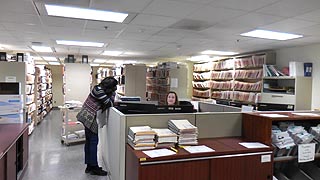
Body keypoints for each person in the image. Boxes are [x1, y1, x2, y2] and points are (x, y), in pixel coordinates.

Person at [76, 77, 118, 176]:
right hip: (90, 118)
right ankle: (94, 167)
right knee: (94, 141)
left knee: (89, 141)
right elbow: (110, 103)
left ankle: (89, 165)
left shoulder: (98, 88)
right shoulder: (99, 91)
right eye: (114, 87)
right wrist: (113, 94)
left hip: (87, 115)